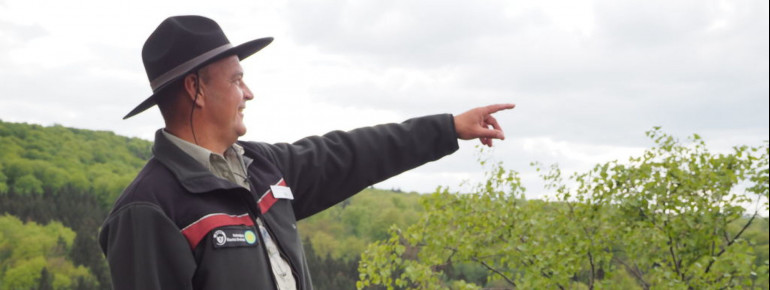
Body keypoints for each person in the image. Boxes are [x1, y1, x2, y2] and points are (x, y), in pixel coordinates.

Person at [98, 15, 515, 290]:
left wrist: (447, 128)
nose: (248, 93)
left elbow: (353, 154)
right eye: (236, 80)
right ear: (196, 89)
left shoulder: (263, 169)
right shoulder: (150, 209)